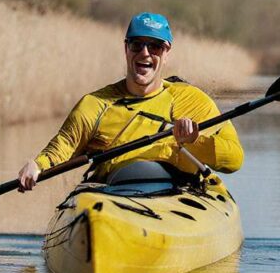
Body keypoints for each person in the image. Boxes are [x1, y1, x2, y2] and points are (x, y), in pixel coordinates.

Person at [17, 12, 243, 191]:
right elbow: (63, 147)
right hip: (113, 195)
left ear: (167, 53)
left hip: (178, 194)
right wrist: (37, 165)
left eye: (154, 46)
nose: (145, 53)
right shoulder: (96, 104)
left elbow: (234, 159)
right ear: (126, 49)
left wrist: (193, 141)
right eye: (137, 44)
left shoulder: (192, 100)